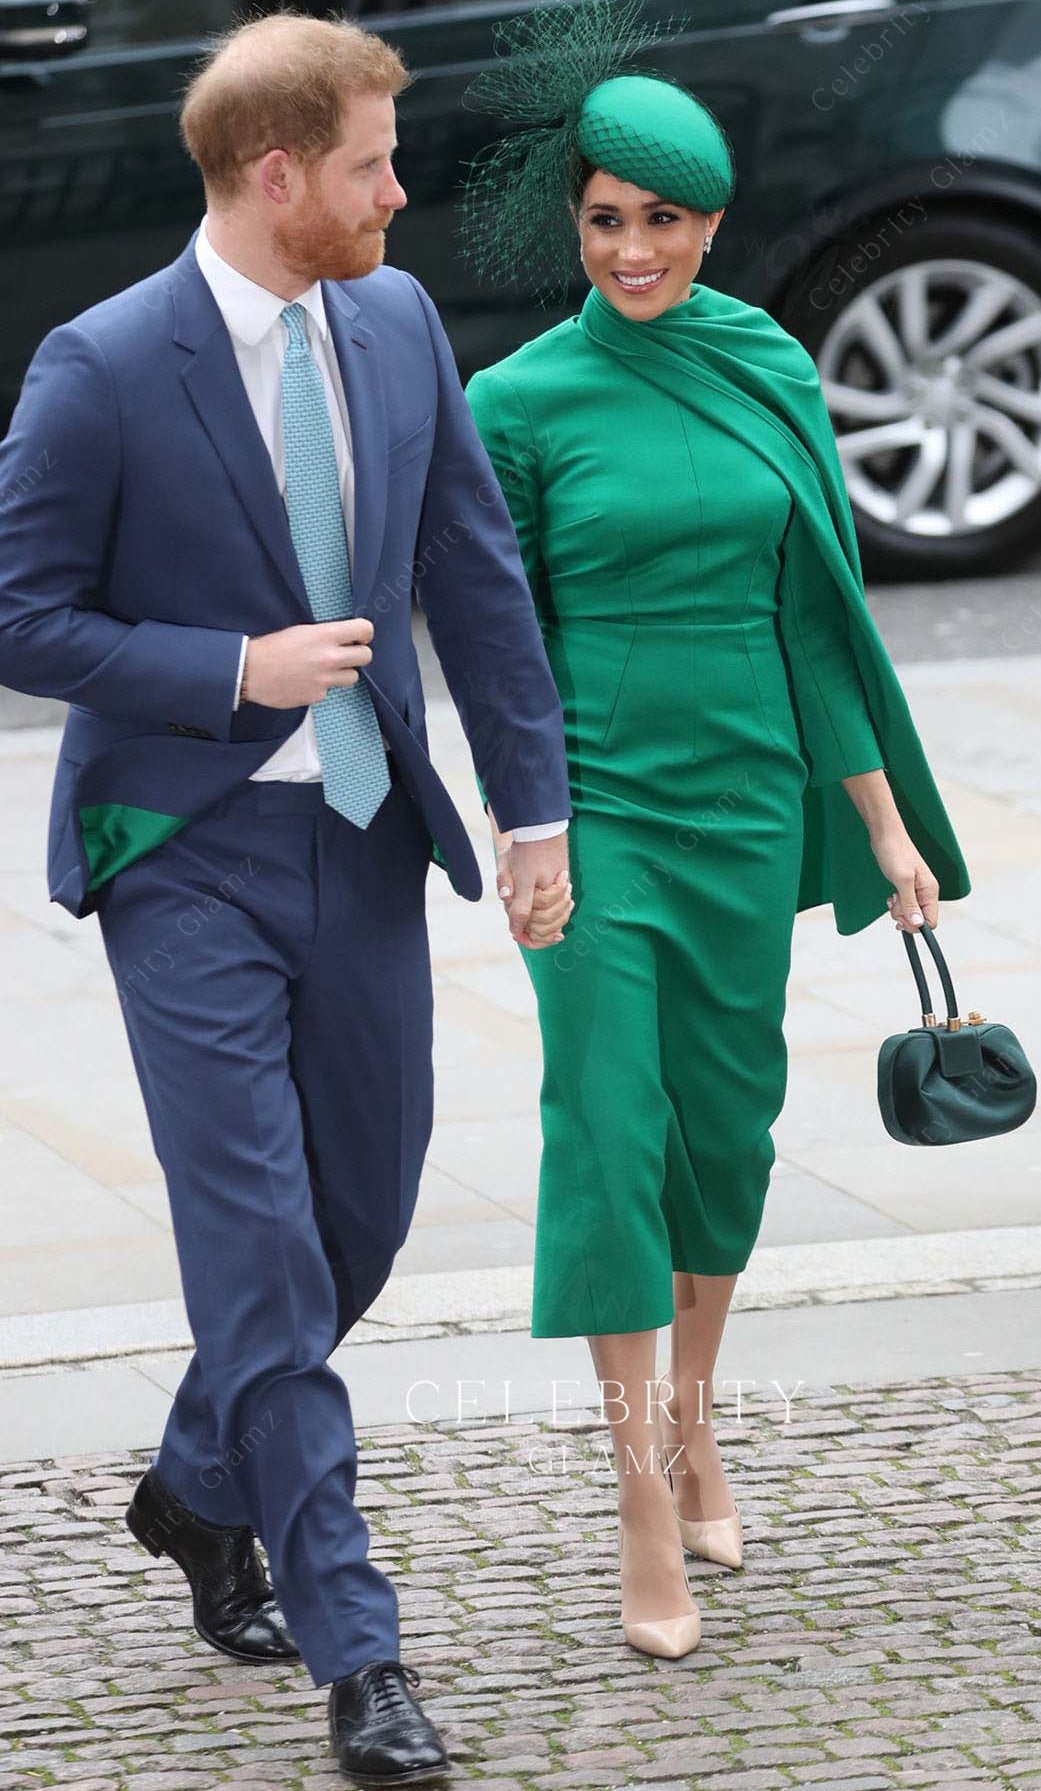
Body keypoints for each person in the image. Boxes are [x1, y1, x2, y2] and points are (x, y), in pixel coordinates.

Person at [0, 11, 573, 1783]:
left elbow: (470, 570)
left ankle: (193, 1485)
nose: (400, 192)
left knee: (362, 1225)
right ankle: (359, 1650)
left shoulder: (393, 322)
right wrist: (225, 667)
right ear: (275, 177)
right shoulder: (99, 368)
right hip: (180, 856)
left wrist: (533, 806)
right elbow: (21, 618)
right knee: (256, 1249)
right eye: (371, 166)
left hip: (362, 844)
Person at [460, 0, 971, 1662]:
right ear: (579, 221)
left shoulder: (767, 364)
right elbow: (493, 643)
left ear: (712, 224)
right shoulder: (521, 405)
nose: (632, 249)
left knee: (725, 1138)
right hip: (598, 820)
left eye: (663, 221)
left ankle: (697, 1416)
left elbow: (817, 618)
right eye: (605, 220)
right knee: (607, 1139)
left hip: (753, 804)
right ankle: (632, 1498)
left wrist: (884, 827)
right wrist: (526, 832)